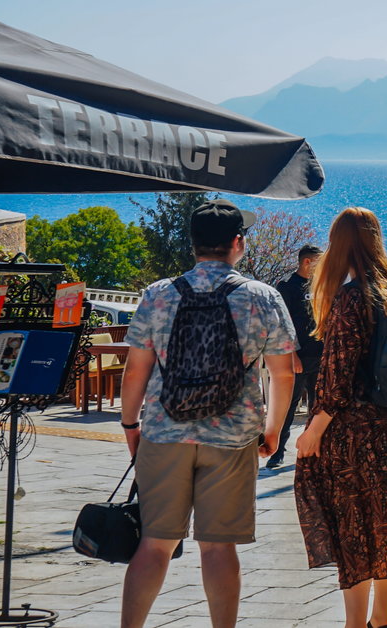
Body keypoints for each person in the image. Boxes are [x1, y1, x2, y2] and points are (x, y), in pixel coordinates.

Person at [119, 199, 297, 628]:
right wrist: (271, 431)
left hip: (164, 432)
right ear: (238, 242)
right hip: (234, 437)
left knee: (155, 544)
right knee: (218, 548)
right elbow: (283, 373)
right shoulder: (262, 297)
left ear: (194, 243)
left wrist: (130, 427)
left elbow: (135, 370)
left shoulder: (158, 294)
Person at [294, 207, 387, 628]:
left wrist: (313, 430)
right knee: (386, 525)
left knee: (353, 529)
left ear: (339, 246)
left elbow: (336, 376)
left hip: (351, 433)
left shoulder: (352, 297)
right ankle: (382, 621)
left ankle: (355, 624)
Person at [268, 244, 324, 469]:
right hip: (297, 358)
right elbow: (282, 324)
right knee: (288, 407)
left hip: (320, 356)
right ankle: (277, 452)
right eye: (318, 263)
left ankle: (314, 449)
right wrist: (292, 356)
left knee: (317, 406)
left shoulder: (321, 285)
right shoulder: (287, 287)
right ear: (306, 262)